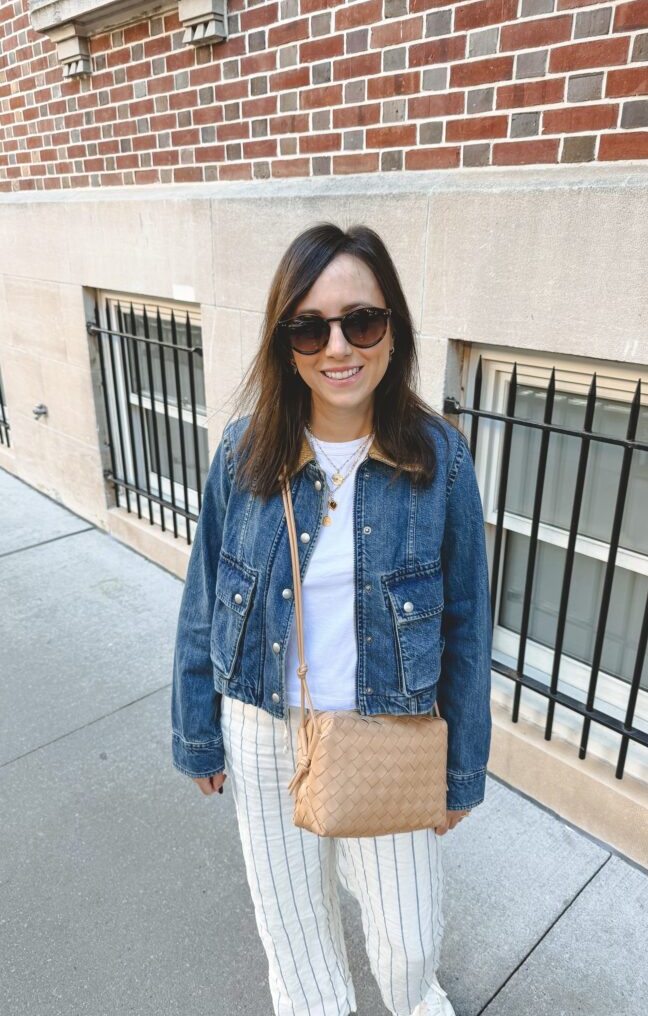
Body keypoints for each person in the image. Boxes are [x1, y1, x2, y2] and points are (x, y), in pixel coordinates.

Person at [171, 223, 493, 1016]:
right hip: (262, 726)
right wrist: (196, 731)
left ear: (392, 330)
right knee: (294, 931)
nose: (338, 347)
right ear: (286, 343)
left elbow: (465, 627)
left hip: (388, 729)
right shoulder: (245, 454)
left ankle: (416, 1002)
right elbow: (205, 594)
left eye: (362, 321)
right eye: (310, 327)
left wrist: (461, 774)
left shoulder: (438, 460)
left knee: (409, 934)